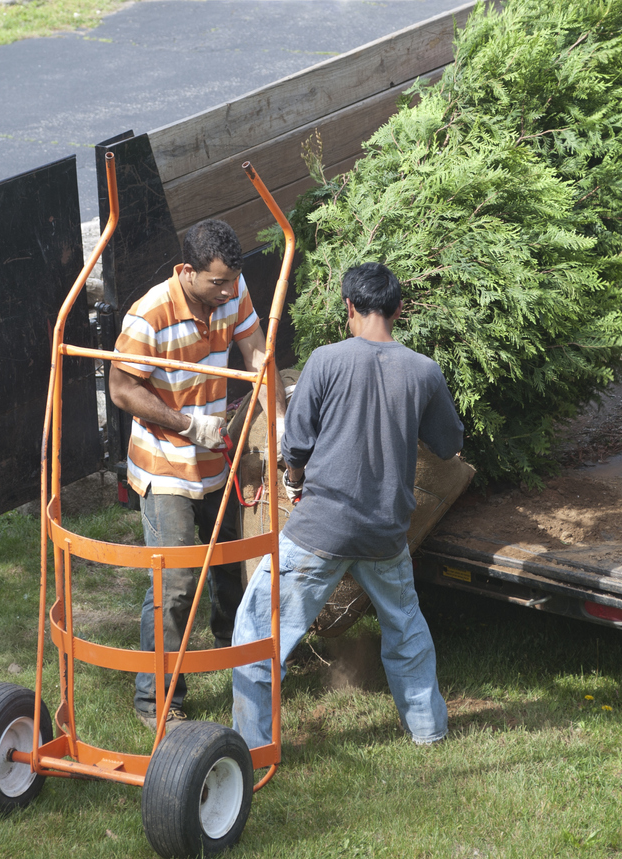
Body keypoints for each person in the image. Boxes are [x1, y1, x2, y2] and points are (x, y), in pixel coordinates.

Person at [231, 261, 464, 749]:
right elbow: (447, 445)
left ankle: (250, 747)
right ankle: (429, 730)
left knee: (256, 630)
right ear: (399, 309)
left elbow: (295, 444)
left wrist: (294, 482)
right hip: (386, 536)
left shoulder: (324, 360)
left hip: (322, 530)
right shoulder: (424, 371)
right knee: (407, 631)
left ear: (349, 308)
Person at [109, 218, 286, 730]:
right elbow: (122, 390)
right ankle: (157, 703)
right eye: (217, 283)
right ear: (185, 271)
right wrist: (188, 424)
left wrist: (277, 428)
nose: (228, 292)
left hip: (218, 461)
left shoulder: (233, 290)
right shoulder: (148, 316)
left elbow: (259, 356)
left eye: (233, 280)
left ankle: (240, 668)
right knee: (177, 584)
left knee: (232, 569)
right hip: (166, 467)